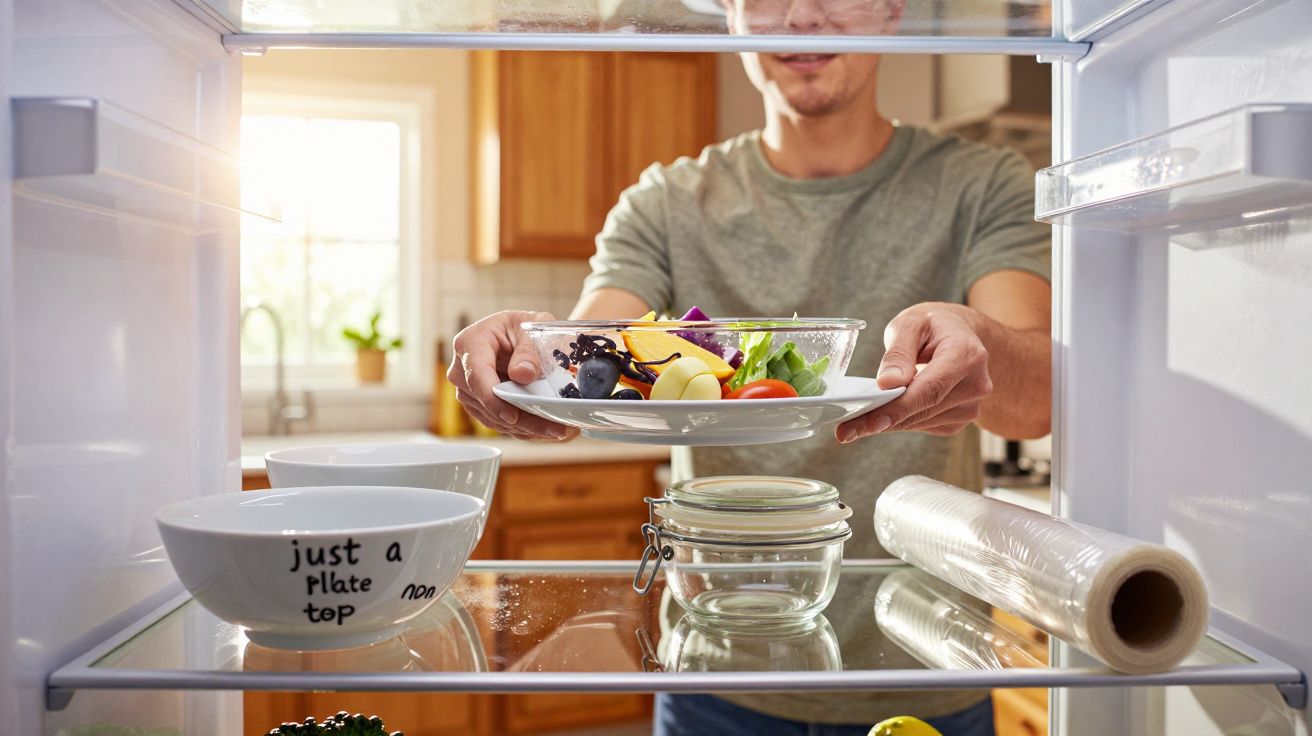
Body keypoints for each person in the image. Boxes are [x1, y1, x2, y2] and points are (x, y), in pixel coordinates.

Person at [451, 0, 1051, 732]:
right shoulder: (665, 203)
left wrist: (977, 338)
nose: (801, 17)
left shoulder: (982, 183)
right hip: (716, 673)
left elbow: (1036, 403)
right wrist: (530, 351)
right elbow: (592, 355)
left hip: (923, 665)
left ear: (891, 11)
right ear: (730, 16)